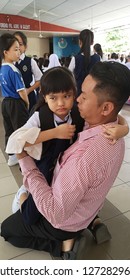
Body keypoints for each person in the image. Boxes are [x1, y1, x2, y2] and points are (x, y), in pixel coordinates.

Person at [1, 61, 130, 259]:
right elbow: (16, 139)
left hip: (64, 216)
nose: (75, 101)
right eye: (54, 97)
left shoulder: (84, 156)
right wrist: (124, 126)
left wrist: (24, 161)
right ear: (45, 97)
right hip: (82, 203)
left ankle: (62, 245)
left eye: (80, 96)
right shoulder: (111, 133)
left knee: (7, 229)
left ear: (105, 108)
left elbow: (55, 213)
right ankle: (90, 223)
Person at [0, 33, 29, 167]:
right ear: (6, 52)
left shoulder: (2, 68)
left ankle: (11, 156)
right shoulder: (13, 69)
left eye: (19, 49)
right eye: (15, 49)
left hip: (5, 102)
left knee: (9, 128)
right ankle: (22, 155)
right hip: (16, 103)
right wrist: (27, 103)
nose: (18, 52)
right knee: (20, 130)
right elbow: (21, 91)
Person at [13, 31, 43, 111]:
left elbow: (40, 79)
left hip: (29, 96)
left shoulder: (30, 61)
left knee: (30, 118)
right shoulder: (9, 62)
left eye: (20, 44)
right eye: (14, 43)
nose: (17, 47)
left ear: (25, 47)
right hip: (14, 98)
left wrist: (28, 90)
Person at [69, 29, 100, 96]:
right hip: (94, 91)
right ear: (92, 42)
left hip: (79, 91)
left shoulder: (75, 58)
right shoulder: (98, 58)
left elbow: (69, 76)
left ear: (79, 41)